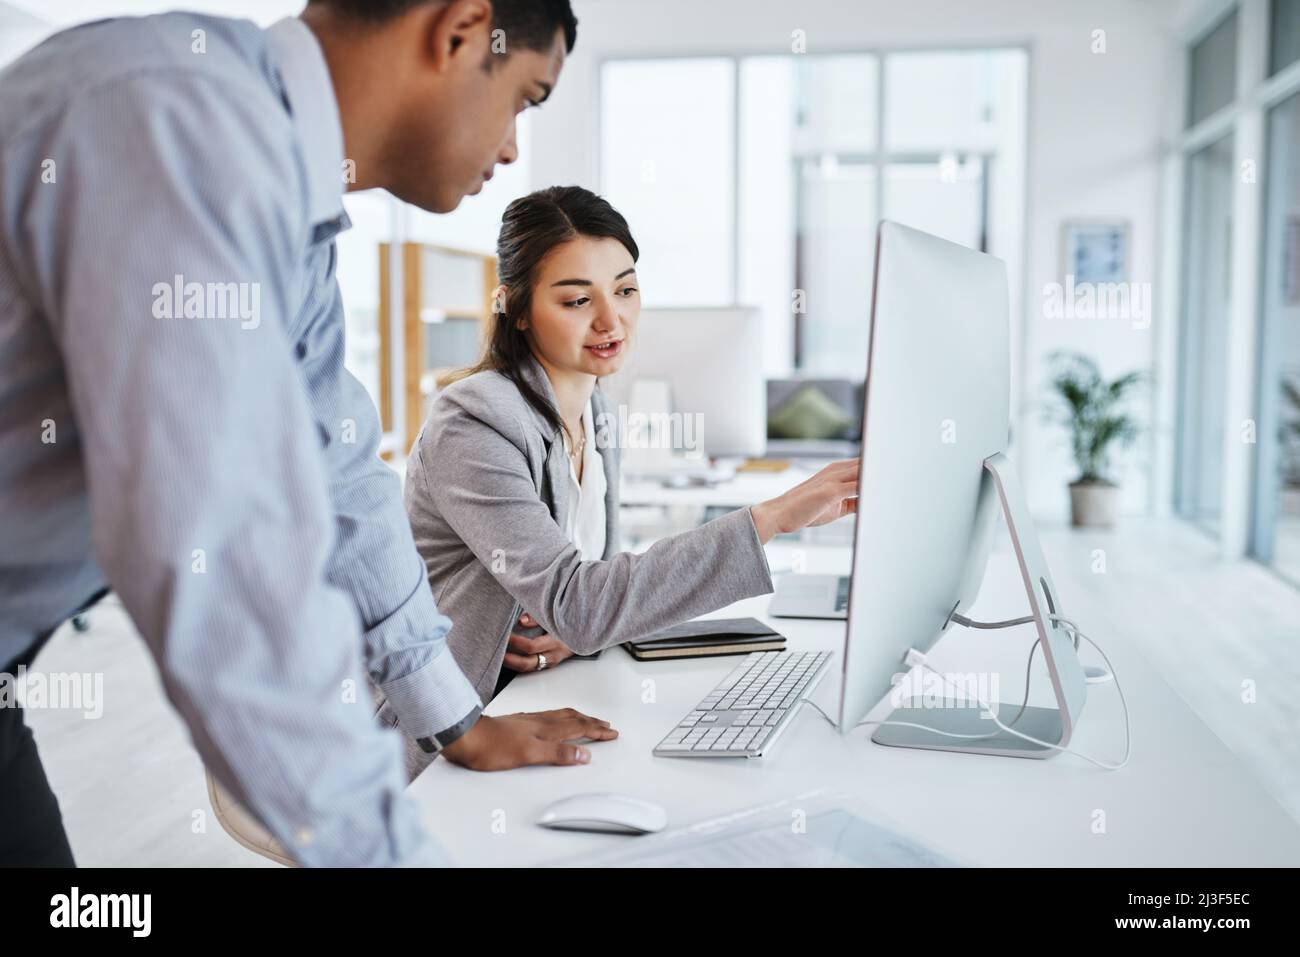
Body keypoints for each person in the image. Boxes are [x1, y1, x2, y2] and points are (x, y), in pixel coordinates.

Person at [0, 0, 616, 868]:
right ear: (461, 31)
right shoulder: (181, 126)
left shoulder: (283, 202)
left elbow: (342, 478)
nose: (513, 146)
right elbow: (217, 562)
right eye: (525, 97)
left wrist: (451, 718)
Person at [389, 185, 858, 774]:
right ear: (519, 309)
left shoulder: (599, 412)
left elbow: (584, 594)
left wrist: (572, 629)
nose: (612, 320)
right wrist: (771, 520)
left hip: (531, 696)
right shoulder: (474, 422)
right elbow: (579, 600)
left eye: (626, 290)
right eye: (576, 300)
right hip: (446, 730)